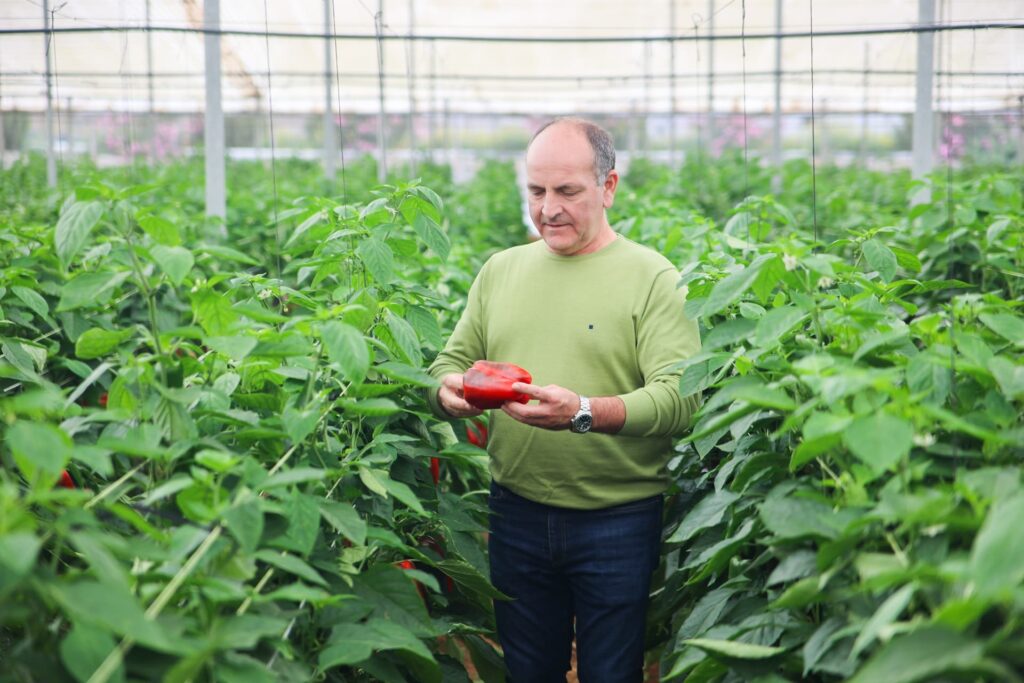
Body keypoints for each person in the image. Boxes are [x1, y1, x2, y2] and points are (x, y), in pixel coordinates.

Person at [427, 117, 701, 682]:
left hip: (619, 518)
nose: (548, 207)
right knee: (528, 671)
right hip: (515, 511)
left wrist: (582, 412)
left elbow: (680, 398)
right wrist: (448, 393)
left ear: (609, 187)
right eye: (536, 190)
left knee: (611, 672)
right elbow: (448, 364)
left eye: (567, 191)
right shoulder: (501, 271)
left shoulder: (652, 278)